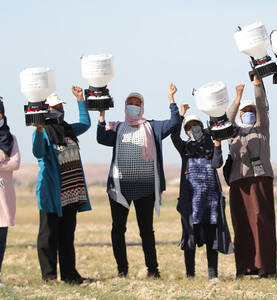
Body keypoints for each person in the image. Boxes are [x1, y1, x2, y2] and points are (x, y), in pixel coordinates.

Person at [97, 84, 180, 278]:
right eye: (130, 103)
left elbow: (174, 122)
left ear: (142, 107)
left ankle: (153, 270)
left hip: (146, 188)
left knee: (146, 231)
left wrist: (171, 99)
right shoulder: (116, 127)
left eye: (137, 103)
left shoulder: (153, 126)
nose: (133, 106)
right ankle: (122, 270)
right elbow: (101, 138)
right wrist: (101, 116)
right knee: (118, 229)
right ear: (124, 106)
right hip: (119, 188)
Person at [33, 88, 92, 284]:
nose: (59, 110)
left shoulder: (68, 129)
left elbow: (85, 123)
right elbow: (38, 152)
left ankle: (70, 275)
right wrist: (38, 129)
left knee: (67, 237)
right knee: (48, 236)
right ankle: (49, 276)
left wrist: (80, 100)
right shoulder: (44, 132)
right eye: (55, 107)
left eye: (60, 107)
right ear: (46, 110)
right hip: (52, 194)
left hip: (71, 194)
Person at [171, 103, 233, 282]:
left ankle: (213, 275)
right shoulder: (185, 149)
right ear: (186, 131)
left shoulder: (210, 144)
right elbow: (174, 136)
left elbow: (217, 164)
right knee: (190, 239)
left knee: (212, 239)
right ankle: (190, 275)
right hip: (191, 203)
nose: (193, 129)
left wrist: (217, 144)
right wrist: (180, 115)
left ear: (201, 127)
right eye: (189, 127)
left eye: (195, 125)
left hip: (210, 201)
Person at [226, 75, 276, 278]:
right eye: (245, 112)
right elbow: (225, 119)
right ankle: (244, 268)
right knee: (242, 224)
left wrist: (257, 85)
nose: (248, 114)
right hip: (239, 183)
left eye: (250, 111)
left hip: (261, 180)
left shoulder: (262, 129)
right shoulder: (233, 132)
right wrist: (237, 99)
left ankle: (265, 267)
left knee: (262, 222)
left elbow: (262, 106)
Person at [0, 98, 20, 287]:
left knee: (1, 239)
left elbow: (15, 163)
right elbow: (8, 162)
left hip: (4, 197)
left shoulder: (10, 138)